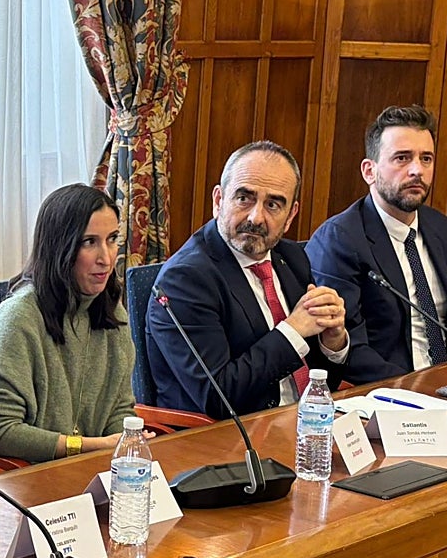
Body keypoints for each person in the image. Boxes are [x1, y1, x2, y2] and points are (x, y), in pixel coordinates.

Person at [146, 141, 350, 419]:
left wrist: (333, 341)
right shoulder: (186, 279)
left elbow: (322, 379)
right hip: (226, 439)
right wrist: (292, 330)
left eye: (273, 204)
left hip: (304, 424)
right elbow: (219, 397)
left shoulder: (291, 258)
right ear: (218, 201)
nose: (256, 217)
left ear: (290, 216)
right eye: (244, 198)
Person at [306, 105, 447, 383]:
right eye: (402, 158)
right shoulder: (340, 240)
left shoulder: (440, 228)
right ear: (369, 171)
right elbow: (349, 350)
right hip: (388, 391)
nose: (417, 170)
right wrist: (420, 389)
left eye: (426, 159)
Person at [0, 184, 139, 463]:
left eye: (111, 239)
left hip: (92, 471)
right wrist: (89, 446)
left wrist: (124, 448)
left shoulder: (112, 311)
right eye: (89, 242)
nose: (106, 258)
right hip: (30, 478)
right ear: (60, 247)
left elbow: (120, 408)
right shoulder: (18, 317)